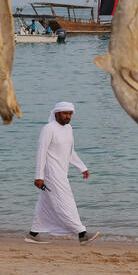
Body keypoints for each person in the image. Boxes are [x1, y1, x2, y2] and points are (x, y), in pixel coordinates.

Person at [26, 102, 100, 246]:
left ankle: (33, 234)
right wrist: (38, 177)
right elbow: (41, 153)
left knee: (45, 205)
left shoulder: (69, 129)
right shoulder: (48, 129)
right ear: (56, 113)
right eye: (65, 113)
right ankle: (81, 233)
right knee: (66, 201)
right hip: (51, 174)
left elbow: (70, 151)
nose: (68, 116)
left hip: (62, 171)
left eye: (70, 114)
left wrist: (81, 167)